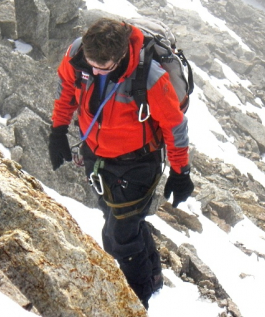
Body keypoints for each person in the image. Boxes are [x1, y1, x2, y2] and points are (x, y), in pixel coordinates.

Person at [49, 17, 194, 308]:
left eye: (104, 67)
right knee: (117, 220)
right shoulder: (78, 56)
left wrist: (181, 171)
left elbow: (174, 126)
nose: (96, 71)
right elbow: (67, 89)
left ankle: (136, 301)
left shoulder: (149, 77)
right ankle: (152, 278)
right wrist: (58, 129)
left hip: (138, 162)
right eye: (92, 64)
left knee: (118, 236)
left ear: (121, 55)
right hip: (96, 156)